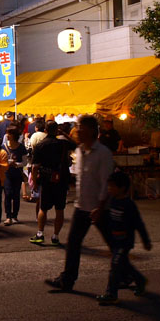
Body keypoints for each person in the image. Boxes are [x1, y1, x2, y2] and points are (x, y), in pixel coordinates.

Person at [45, 115, 114, 292]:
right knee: (73, 243)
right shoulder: (81, 150)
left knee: (114, 246)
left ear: (91, 130)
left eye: (80, 127)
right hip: (82, 207)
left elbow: (107, 183)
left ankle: (131, 275)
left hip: (100, 208)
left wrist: (100, 206)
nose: (77, 130)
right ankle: (67, 279)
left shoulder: (103, 154)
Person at [96, 172, 151, 305]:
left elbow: (139, 224)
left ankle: (111, 294)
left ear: (122, 188)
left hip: (125, 242)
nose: (109, 189)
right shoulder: (113, 201)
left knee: (115, 265)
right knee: (123, 264)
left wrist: (146, 241)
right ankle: (140, 280)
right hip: (115, 240)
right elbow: (111, 219)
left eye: (112, 186)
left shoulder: (128, 205)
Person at [31, 121, 76, 245]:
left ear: (45, 130)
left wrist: (34, 182)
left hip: (46, 180)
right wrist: (63, 134)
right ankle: (55, 236)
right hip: (61, 180)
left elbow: (35, 167)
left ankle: (40, 234)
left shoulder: (40, 145)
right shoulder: (63, 143)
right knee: (59, 209)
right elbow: (76, 145)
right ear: (57, 130)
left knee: (43, 208)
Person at [2, 127, 27, 225]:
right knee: (7, 194)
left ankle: (15, 215)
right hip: (6, 173)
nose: (7, 135)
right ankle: (8, 216)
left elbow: (25, 162)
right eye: (7, 133)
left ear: (15, 135)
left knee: (16, 195)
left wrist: (17, 164)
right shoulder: (3, 146)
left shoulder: (21, 147)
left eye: (9, 133)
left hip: (17, 173)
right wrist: (7, 163)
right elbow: (0, 159)